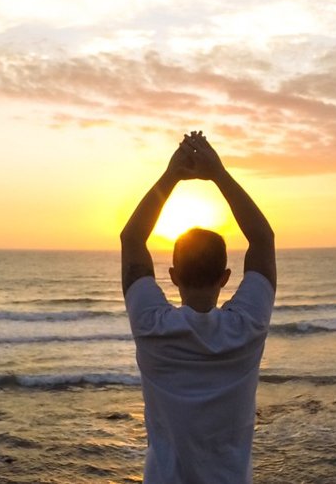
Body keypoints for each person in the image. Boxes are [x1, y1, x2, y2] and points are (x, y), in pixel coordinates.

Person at [121, 130, 277, 483]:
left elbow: (132, 238)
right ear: (225, 277)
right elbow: (262, 239)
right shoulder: (248, 326)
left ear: (173, 276)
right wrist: (218, 173)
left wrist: (172, 174)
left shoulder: (151, 325)